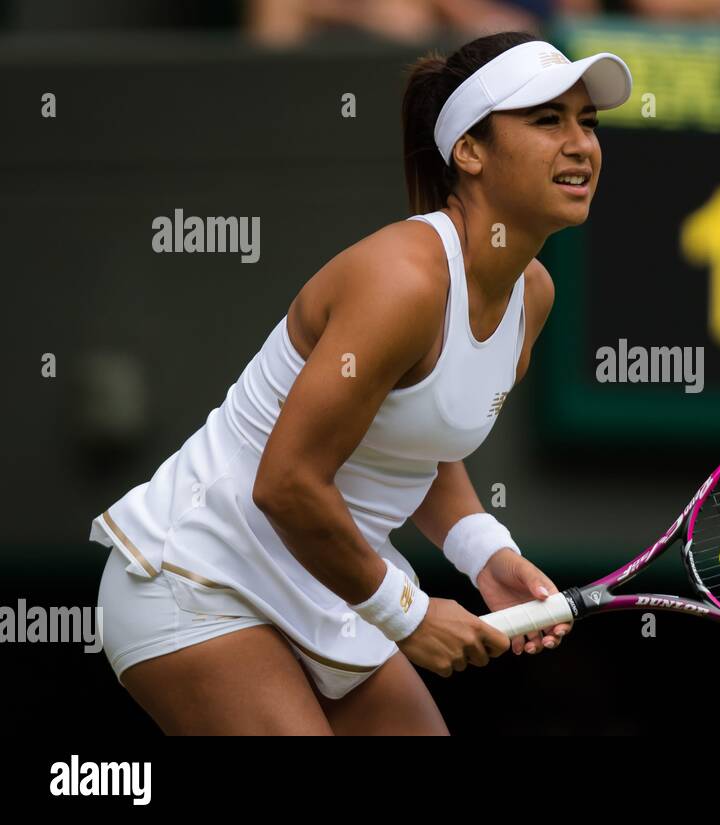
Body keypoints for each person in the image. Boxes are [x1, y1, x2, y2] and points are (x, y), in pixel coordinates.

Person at [89, 31, 633, 734]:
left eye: (587, 122)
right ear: (469, 151)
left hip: (325, 582)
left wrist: (487, 556)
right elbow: (284, 482)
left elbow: (419, 444)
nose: (580, 144)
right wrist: (406, 614)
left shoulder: (533, 295)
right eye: (546, 119)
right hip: (195, 575)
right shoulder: (401, 282)